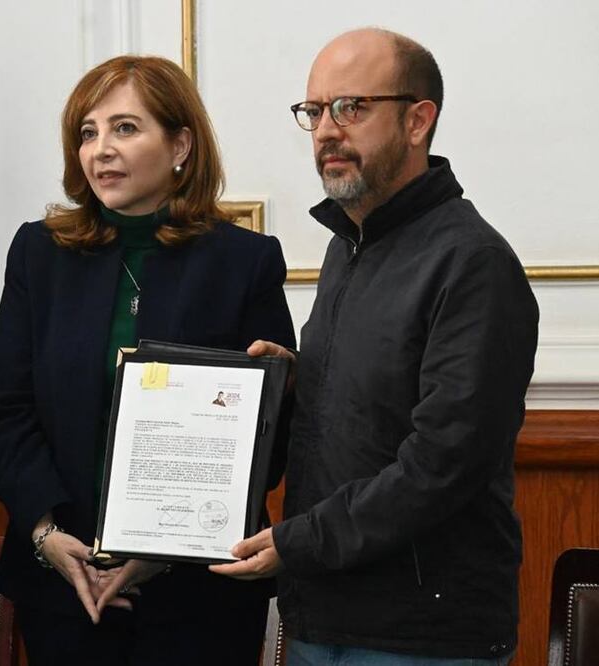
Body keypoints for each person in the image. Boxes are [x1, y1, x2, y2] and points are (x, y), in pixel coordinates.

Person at [211, 28, 538, 664]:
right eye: (314, 111)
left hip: (422, 634)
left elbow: (443, 464)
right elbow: (381, 398)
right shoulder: (348, 245)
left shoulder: (474, 263)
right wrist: (301, 379)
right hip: (324, 613)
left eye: (351, 107)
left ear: (418, 121)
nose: (327, 130)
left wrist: (298, 542)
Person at [0, 55, 295, 665]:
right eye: (87, 132)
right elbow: (10, 409)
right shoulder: (38, 254)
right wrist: (47, 535)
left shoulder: (245, 261)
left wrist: (167, 544)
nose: (101, 149)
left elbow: (267, 437)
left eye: (125, 128)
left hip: (199, 592)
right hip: (64, 583)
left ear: (180, 144)